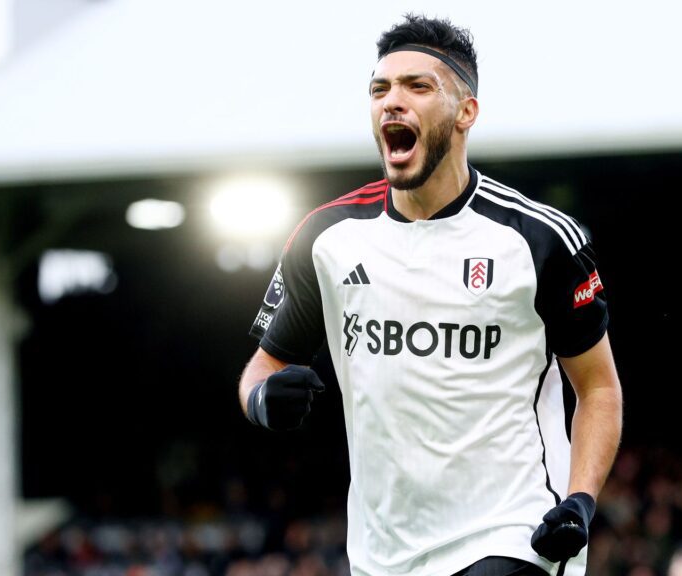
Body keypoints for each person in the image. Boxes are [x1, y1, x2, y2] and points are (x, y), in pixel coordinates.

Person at [239, 14, 623, 576]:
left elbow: (598, 388)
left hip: (514, 532)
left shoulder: (537, 240)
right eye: (380, 89)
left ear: (466, 111)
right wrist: (263, 401)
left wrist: (581, 500)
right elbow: (261, 367)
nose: (393, 101)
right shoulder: (327, 239)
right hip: (383, 550)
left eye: (417, 86)